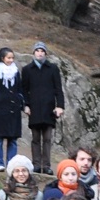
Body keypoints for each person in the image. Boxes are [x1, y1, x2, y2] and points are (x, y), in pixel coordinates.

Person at [20, 42, 66, 170]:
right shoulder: (27, 69)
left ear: (45, 53)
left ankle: (46, 165)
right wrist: (25, 105)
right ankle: (36, 164)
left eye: (42, 51)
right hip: (34, 109)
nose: (40, 53)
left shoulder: (53, 68)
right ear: (33, 53)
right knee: (35, 138)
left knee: (47, 138)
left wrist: (60, 106)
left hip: (49, 109)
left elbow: (58, 89)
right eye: (37, 51)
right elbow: (24, 90)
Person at [0, 48, 27, 170]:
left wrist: (21, 103)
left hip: (14, 111)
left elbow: (19, 90)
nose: (11, 60)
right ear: (2, 58)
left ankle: (11, 163)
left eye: (12, 58)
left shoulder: (16, 72)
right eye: (8, 58)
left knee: (13, 139)